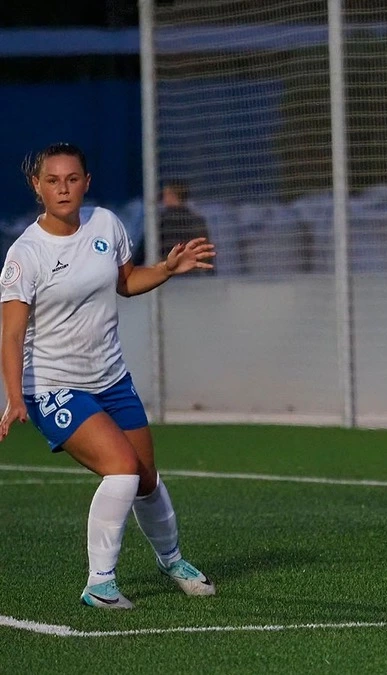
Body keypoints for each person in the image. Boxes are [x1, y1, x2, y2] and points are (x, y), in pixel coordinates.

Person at [0, 143, 217, 609]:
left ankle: (173, 560)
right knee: (120, 470)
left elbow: (125, 282)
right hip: (53, 386)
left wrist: (166, 269)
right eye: (52, 180)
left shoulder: (105, 224)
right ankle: (100, 584)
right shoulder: (26, 254)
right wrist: (15, 397)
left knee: (145, 480)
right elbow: (12, 333)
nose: (63, 188)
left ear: (86, 182)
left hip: (112, 379)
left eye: (72, 178)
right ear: (37, 187)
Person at [160, 179, 211, 269]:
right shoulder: (197, 219)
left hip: (170, 271)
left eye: (164, 195)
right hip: (194, 269)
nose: (163, 199)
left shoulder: (162, 221)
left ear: (172, 195)